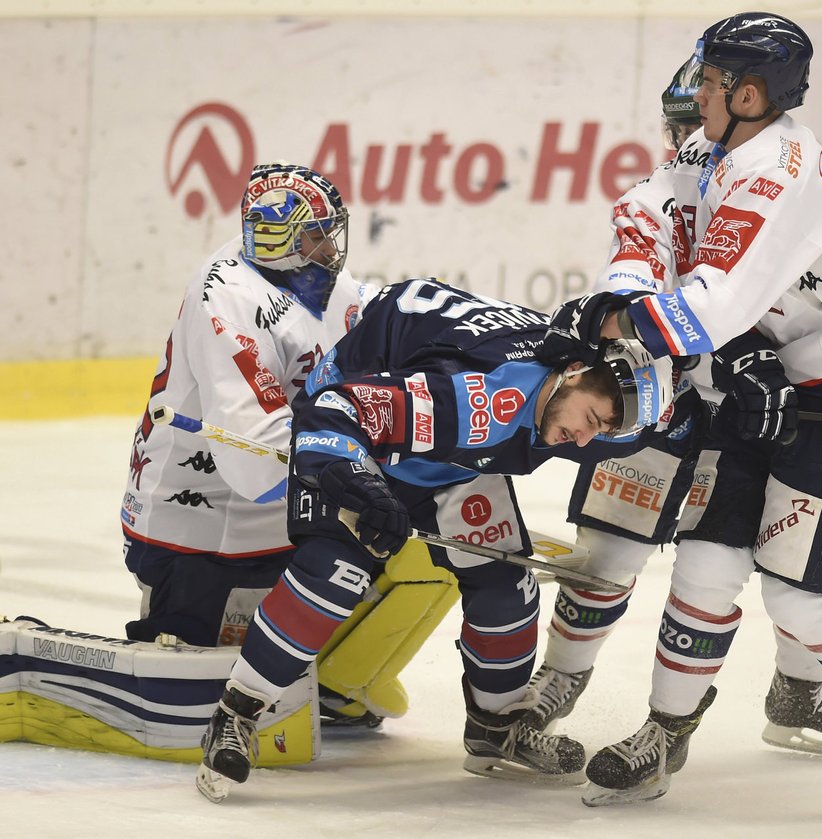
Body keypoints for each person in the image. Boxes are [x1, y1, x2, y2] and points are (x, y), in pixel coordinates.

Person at [537, 13, 822, 829]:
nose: (690, 105)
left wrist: (610, 328)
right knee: (705, 557)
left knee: (804, 600)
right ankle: (667, 732)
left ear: (750, 93)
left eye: (705, 86)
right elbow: (666, 239)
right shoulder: (721, 152)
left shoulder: (778, 170)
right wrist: (641, 314)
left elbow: (714, 303)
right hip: (761, 378)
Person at [193, 277, 674, 802]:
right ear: (574, 374)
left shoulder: (576, 395)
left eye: (602, 432)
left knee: (506, 587)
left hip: (450, 446)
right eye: (590, 421)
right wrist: (365, 487)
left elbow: (670, 420)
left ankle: (496, 729)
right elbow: (333, 412)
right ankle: (235, 714)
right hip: (362, 439)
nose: (584, 441)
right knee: (334, 576)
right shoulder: (480, 401)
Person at [121, 161, 432, 728]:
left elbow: (387, 344)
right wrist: (349, 479)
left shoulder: (319, 284)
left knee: (400, 551)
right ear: (279, 239)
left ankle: (335, 678)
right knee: (196, 690)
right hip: (200, 521)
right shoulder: (229, 296)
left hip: (275, 505)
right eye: (316, 232)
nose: (330, 243)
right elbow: (251, 456)